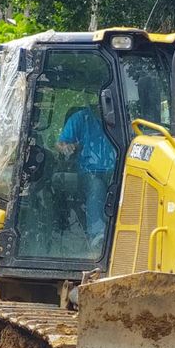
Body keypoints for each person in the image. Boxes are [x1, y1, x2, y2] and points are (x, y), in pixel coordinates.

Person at [57, 106, 116, 248]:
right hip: (88, 171)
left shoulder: (120, 114)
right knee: (96, 187)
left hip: (119, 170)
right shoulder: (80, 118)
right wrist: (66, 147)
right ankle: (98, 236)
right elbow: (61, 143)